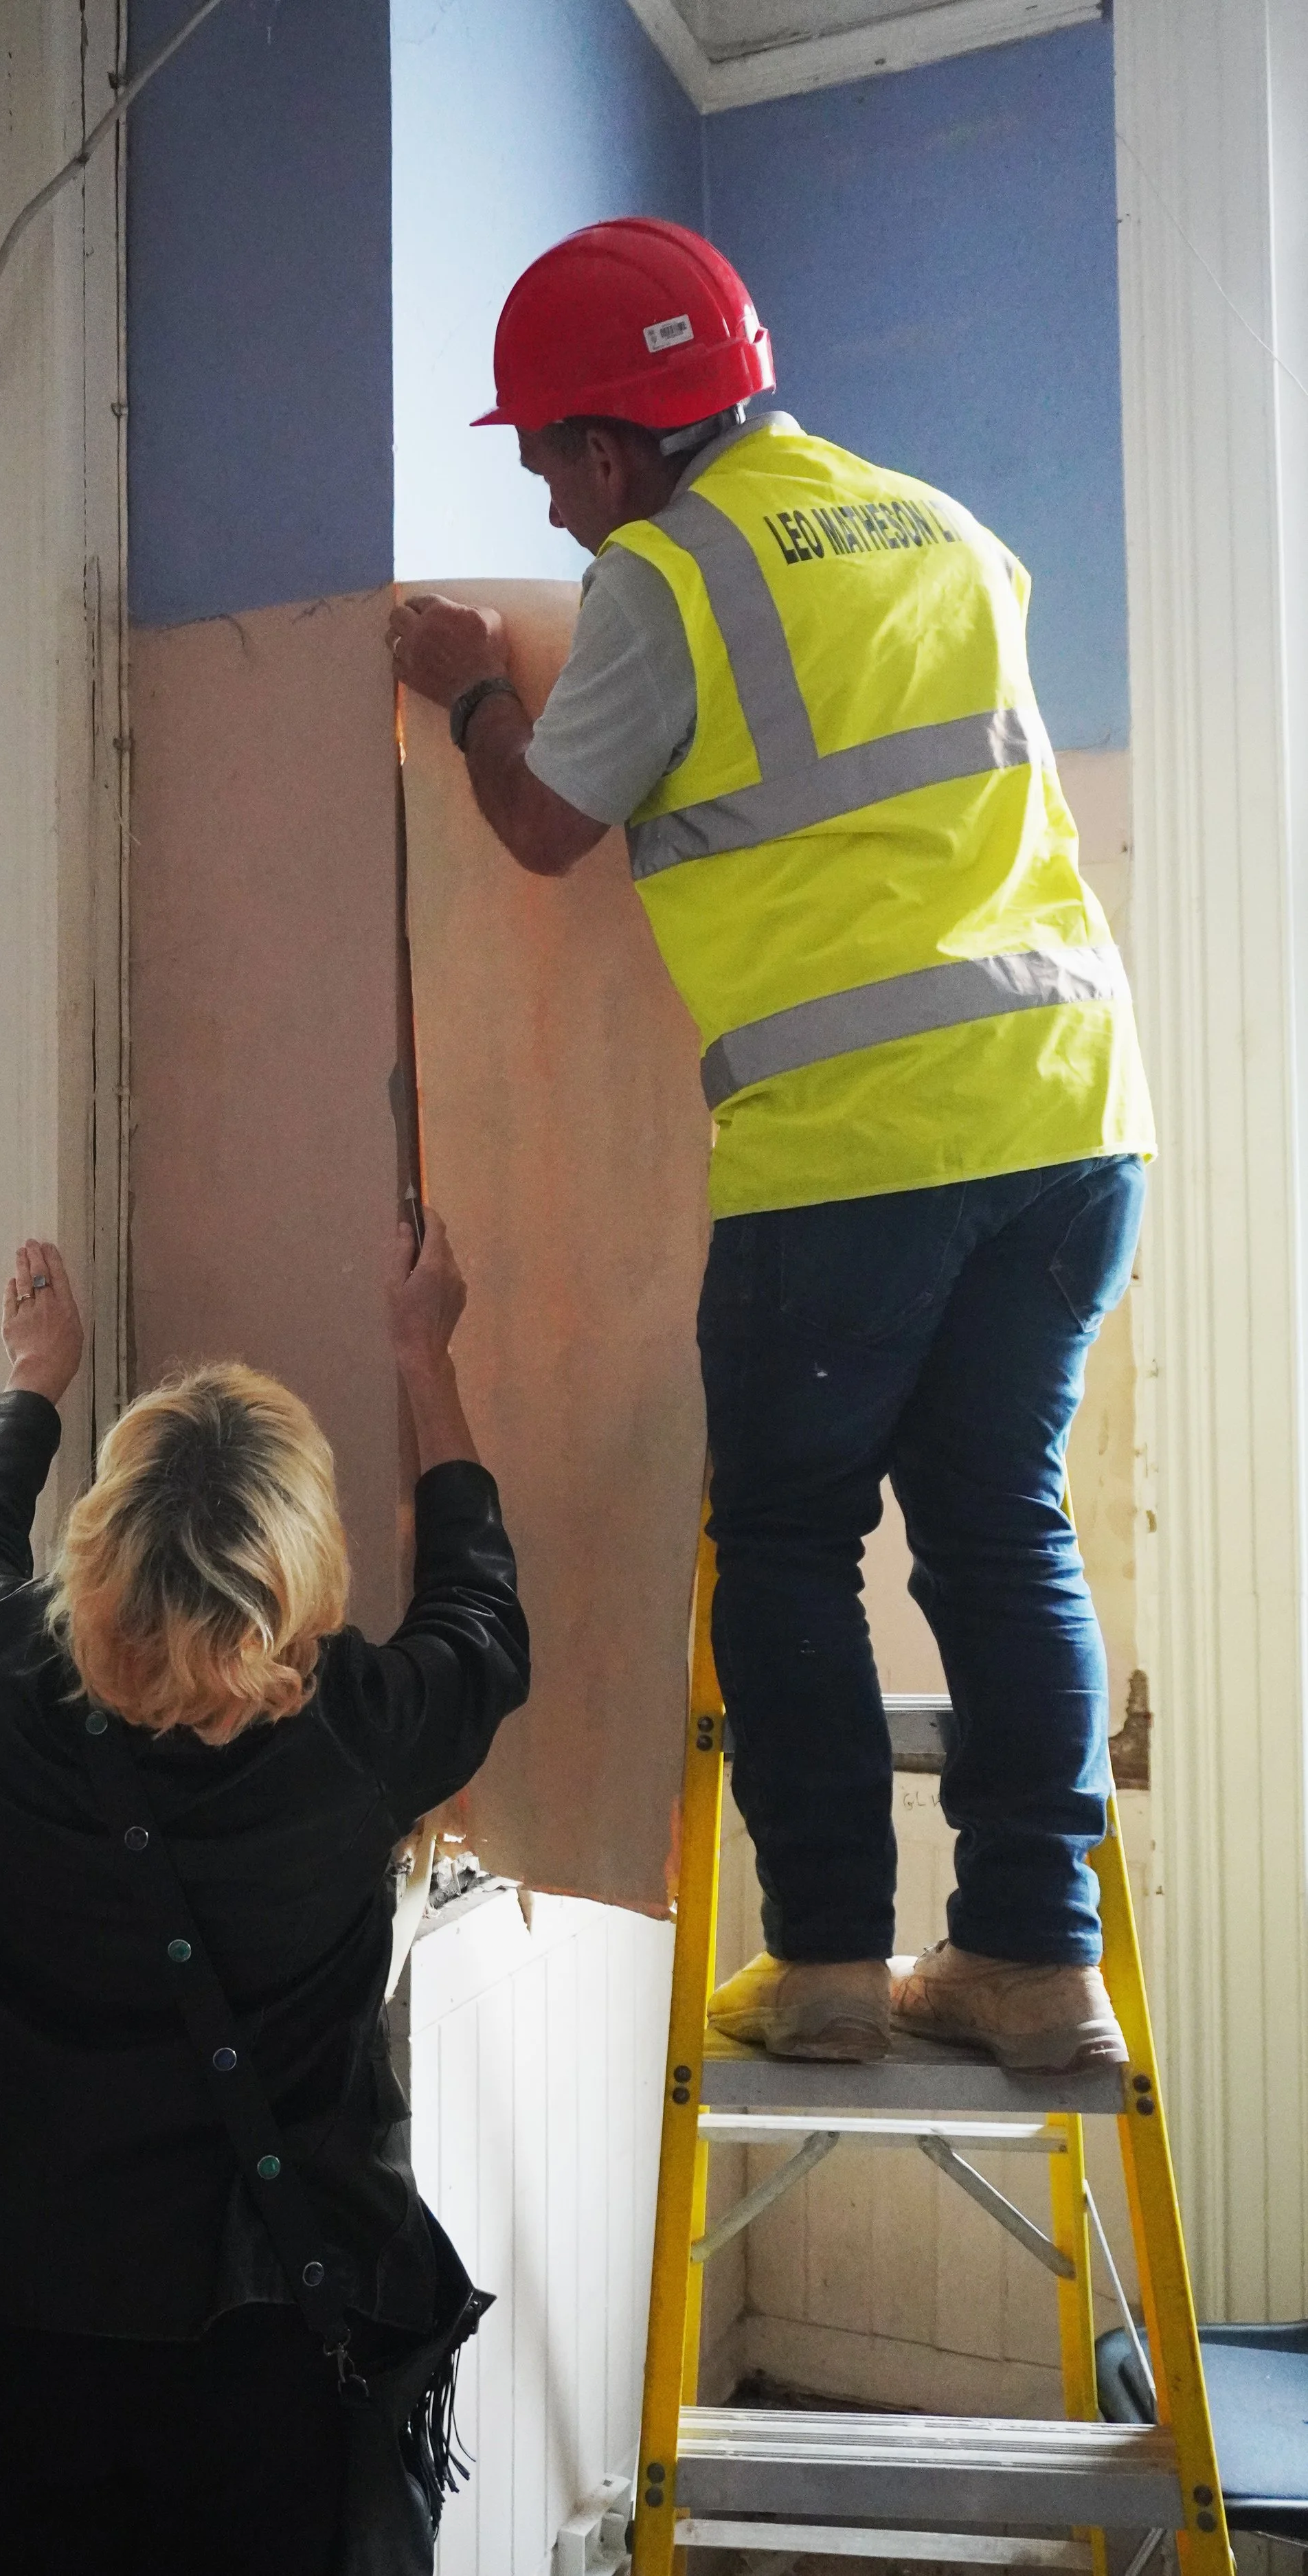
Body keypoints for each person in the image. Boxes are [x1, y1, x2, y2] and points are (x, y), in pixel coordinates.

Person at [387, 216, 1152, 2075]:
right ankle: (1031, 1964)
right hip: (1067, 1117)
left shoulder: (670, 566)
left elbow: (547, 824)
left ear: (609, 441)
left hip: (855, 1143)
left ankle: (821, 1956)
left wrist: (471, 680)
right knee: (1000, 1531)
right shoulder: (937, 524)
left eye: (546, 462)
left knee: (793, 1537)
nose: (555, 511)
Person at [0, 1214, 528, 2574]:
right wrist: (422, 1359)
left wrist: (37, 1376)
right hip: (259, 2320)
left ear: (97, 1547)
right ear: (295, 1569)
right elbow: (481, 1626)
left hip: (25, 2298)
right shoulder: (357, 1730)